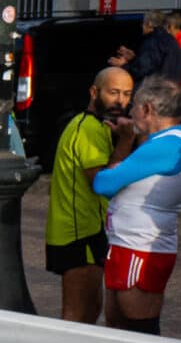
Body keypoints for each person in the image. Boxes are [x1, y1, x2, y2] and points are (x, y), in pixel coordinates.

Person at [92, 77, 181, 336]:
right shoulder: (164, 141)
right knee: (116, 326)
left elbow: (103, 183)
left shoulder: (167, 145)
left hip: (141, 247)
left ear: (148, 109)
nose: (130, 111)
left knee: (138, 330)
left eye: (135, 105)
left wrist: (117, 171)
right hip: (127, 244)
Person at [49, 67, 133, 323]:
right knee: (78, 313)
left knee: (91, 308)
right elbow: (102, 182)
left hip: (89, 229)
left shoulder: (101, 126)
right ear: (94, 92)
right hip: (79, 231)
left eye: (127, 94)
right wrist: (126, 142)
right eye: (113, 92)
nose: (121, 101)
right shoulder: (89, 128)